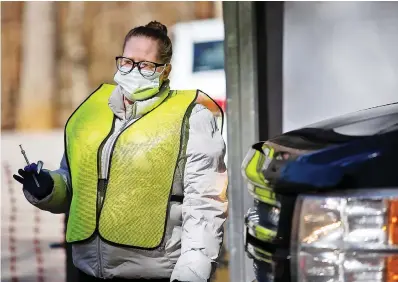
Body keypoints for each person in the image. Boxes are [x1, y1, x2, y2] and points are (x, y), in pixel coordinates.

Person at [13, 21, 228, 282]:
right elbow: (75, 185)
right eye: (127, 61)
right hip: (87, 270)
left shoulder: (190, 117)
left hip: (157, 273)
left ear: (165, 71)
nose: (134, 70)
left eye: (146, 64)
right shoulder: (91, 112)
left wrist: (193, 272)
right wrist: (47, 187)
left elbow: (205, 204)